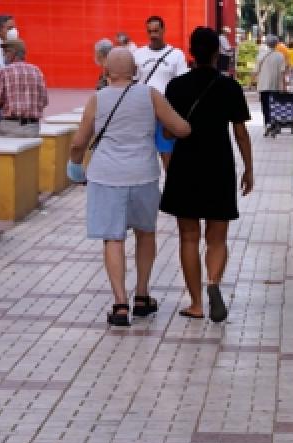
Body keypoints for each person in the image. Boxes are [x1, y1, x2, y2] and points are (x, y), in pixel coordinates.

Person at [69, 48, 191, 327]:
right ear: (135, 71)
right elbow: (182, 128)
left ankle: (120, 303)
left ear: (105, 71)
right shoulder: (150, 95)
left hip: (106, 176)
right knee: (145, 233)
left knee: (113, 238)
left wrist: (75, 166)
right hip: (143, 175)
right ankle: (143, 296)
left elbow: (79, 142)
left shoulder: (96, 100)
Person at [161, 26, 253, 323]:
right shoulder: (230, 87)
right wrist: (249, 168)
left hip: (185, 165)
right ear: (217, 53)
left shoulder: (176, 87)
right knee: (217, 237)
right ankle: (213, 283)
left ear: (191, 52)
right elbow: (240, 134)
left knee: (188, 237)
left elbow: (167, 130)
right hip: (219, 165)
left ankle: (197, 303)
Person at [134, 16, 188, 168]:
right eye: (150, 31)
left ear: (164, 30)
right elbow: (132, 82)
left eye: (156, 31)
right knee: (142, 161)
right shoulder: (138, 54)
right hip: (144, 114)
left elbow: (182, 85)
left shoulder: (176, 55)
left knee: (168, 160)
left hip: (166, 115)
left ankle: (172, 190)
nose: (153, 35)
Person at [0, 39, 47, 138]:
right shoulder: (37, 71)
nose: (4, 55)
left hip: (9, 126)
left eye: (5, 52)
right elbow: (44, 101)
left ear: (13, 53)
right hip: (32, 127)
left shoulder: (3, 73)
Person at [255, 35, 287, 134]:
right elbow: (282, 72)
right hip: (276, 85)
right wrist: (283, 86)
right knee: (275, 105)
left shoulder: (261, 55)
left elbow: (256, 71)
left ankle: (267, 123)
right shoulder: (280, 56)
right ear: (276, 44)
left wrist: (252, 82)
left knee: (265, 105)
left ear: (267, 44)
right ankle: (274, 124)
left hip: (263, 85)